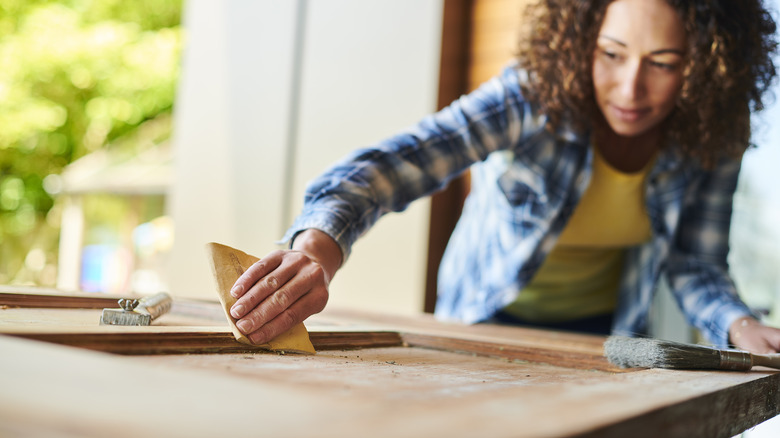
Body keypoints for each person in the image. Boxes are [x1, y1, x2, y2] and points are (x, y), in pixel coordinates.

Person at [227, 0, 780, 353]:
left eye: (662, 63)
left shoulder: (713, 132)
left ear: (707, 66)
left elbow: (694, 262)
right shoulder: (531, 96)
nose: (630, 88)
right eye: (611, 54)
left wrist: (737, 324)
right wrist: (317, 249)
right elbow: (391, 166)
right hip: (480, 322)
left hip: (603, 334)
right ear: (582, 38)